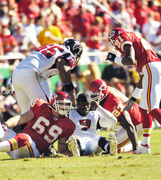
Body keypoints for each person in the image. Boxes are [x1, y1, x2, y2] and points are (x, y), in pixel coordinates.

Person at [106, 27, 161, 154]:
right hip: (151, 68)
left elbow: (129, 60)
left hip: (151, 67)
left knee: (153, 108)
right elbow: (141, 80)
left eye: (114, 43)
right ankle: (145, 146)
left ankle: (145, 146)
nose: (115, 46)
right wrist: (131, 101)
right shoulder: (138, 50)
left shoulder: (124, 37)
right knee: (143, 109)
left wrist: (114, 59)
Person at [8, 39, 83, 115]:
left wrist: (11, 83)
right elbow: (63, 70)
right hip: (32, 75)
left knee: (25, 116)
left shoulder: (52, 46)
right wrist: (73, 103)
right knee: (47, 111)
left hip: (17, 73)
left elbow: (29, 62)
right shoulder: (67, 54)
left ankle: (8, 127)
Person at [0, 91, 76, 159]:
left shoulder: (69, 125)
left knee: (25, 138)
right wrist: (5, 125)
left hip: (32, 150)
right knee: (1, 128)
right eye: (61, 104)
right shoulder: (42, 106)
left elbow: (62, 148)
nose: (64, 107)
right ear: (53, 103)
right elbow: (22, 118)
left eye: (67, 104)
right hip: (17, 143)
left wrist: (74, 154)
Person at [88, 79, 141, 152]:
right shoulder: (106, 92)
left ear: (102, 92)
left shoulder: (113, 102)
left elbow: (128, 125)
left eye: (95, 94)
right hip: (127, 118)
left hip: (136, 123)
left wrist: (136, 149)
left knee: (109, 148)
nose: (92, 96)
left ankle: (138, 145)